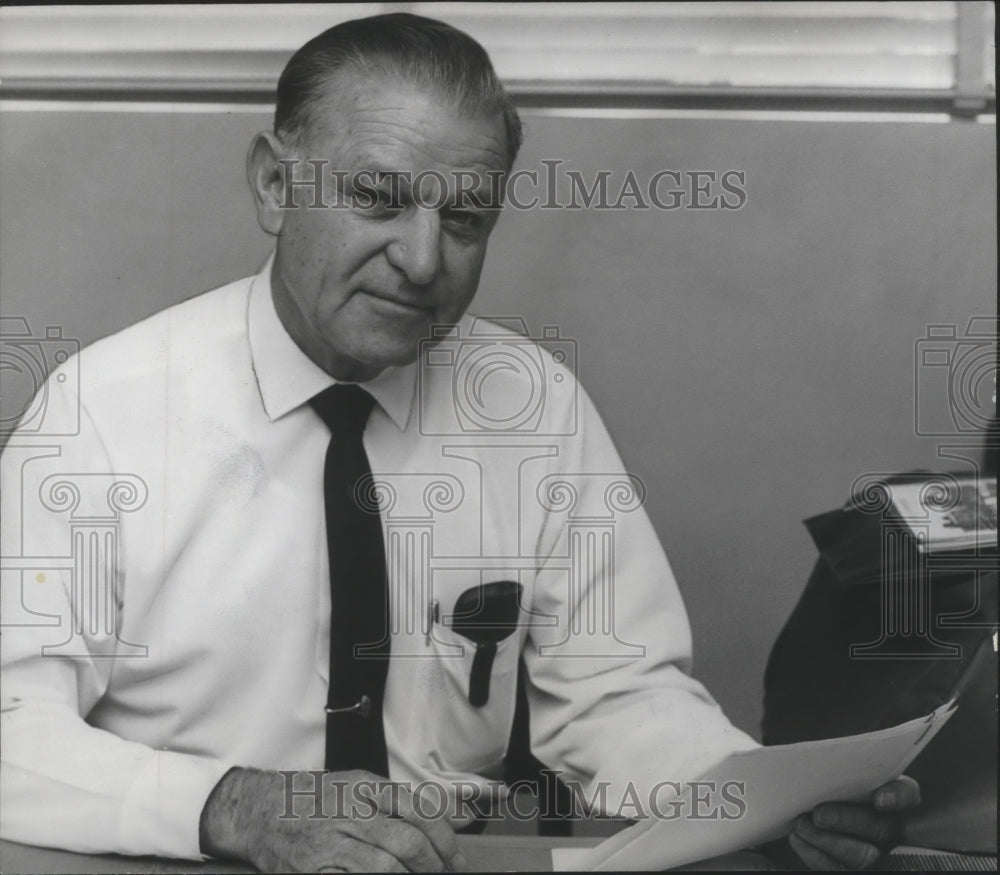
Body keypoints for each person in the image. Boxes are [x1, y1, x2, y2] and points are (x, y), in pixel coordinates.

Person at [1, 13, 919, 872]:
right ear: (276, 186)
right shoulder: (103, 411)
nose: (424, 259)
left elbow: (616, 695)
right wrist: (233, 806)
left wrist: (761, 801)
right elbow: (11, 729)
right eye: (377, 198)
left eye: (466, 218)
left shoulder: (530, 405)